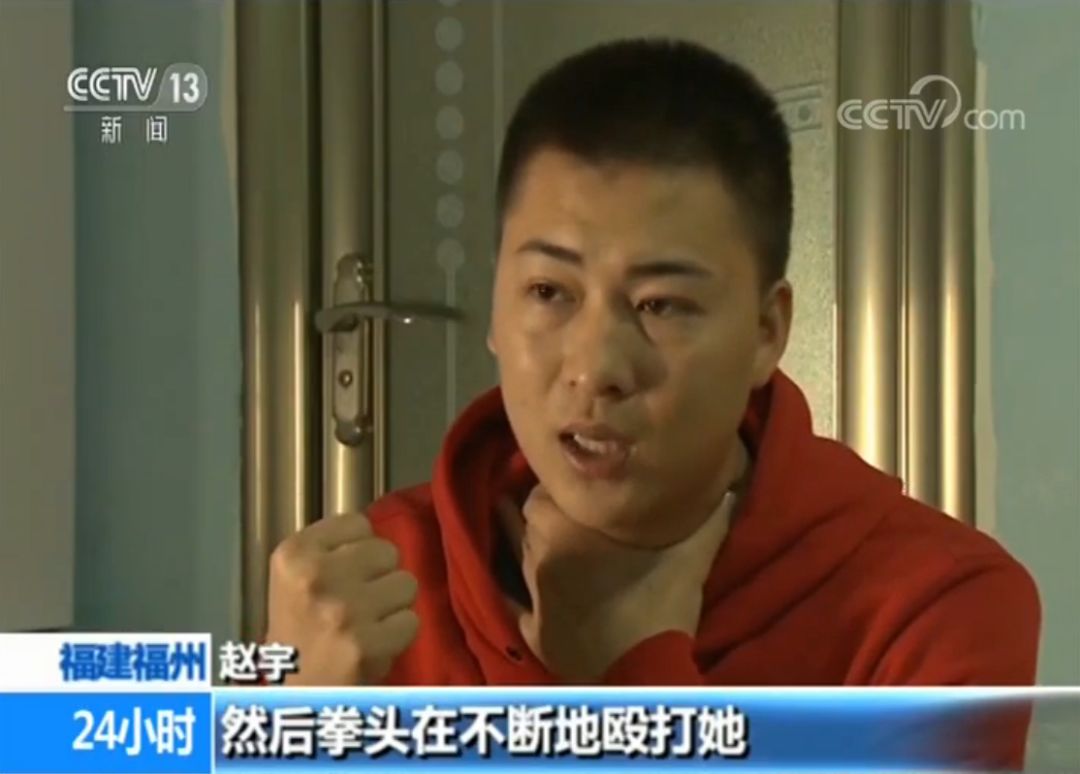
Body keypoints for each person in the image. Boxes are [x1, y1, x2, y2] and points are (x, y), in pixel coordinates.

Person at [264, 37, 1040, 765]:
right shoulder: (371, 589)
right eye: (548, 291)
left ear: (766, 332)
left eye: (661, 305)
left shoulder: (933, 608)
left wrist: (636, 676)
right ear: (495, 308)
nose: (596, 368)